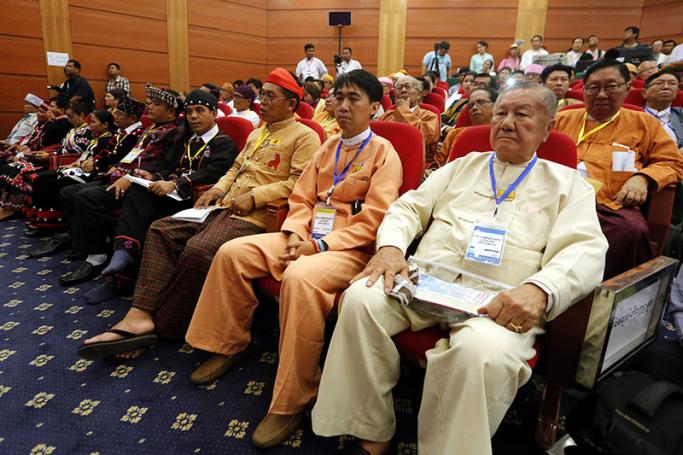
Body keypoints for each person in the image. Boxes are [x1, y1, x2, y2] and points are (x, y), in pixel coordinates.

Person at [311, 82, 609, 455]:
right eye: (501, 113)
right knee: (359, 300)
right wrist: (390, 249)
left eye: (522, 115)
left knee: (479, 352)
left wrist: (539, 289)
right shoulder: (461, 166)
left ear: (548, 128)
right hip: (424, 282)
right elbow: (408, 208)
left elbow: (585, 249)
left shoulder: (568, 184)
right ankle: (368, 423)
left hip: (498, 304)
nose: (506, 123)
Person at [184, 69, 402, 449]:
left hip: (349, 249)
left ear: (374, 107)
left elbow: (376, 220)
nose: (344, 106)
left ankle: (292, 399)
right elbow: (302, 200)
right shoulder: (327, 147)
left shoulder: (385, 153)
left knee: (300, 278)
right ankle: (227, 343)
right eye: (339, 98)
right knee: (232, 252)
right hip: (304, 238)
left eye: (355, 99)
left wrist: (318, 246)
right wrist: (296, 234)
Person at [76, 67, 319, 344]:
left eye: (270, 97)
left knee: (198, 248)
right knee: (160, 230)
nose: (261, 102)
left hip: (256, 215)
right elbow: (234, 169)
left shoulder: (304, 136)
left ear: (291, 104)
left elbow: (299, 182)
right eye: (261, 95)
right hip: (222, 207)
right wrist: (217, 189)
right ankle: (140, 312)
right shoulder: (256, 133)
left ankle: (164, 325)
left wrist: (256, 196)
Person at [554, 59, 683, 279]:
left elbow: (672, 162)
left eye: (611, 86)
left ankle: (602, 291)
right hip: (557, 196)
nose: (602, 94)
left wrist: (643, 178)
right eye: (594, 88)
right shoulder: (562, 119)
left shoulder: (644, 123)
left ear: (627, 89)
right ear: (584, 91)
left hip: (608, 202)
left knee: (631, 230)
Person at [54, 86, 182, 286]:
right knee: (69, 192)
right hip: (118, 174)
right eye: (151, 103)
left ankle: (96, 257)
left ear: (171, 111)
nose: (150, 108)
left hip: (137, 181)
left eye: (157, 105)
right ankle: (91, 242)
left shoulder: (175, 130)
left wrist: (130, 176)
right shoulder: (153, 126)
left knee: (86, 196)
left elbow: (161, 164)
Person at [28, 96, 145, 257]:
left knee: (75, 192)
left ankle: (93, 248)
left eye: (119, 114)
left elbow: (123, 158)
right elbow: (107, 153)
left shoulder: (138, 133)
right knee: (61, 188)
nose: (115, 117)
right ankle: (77, 237)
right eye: (116, 113)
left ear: (132, 118)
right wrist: (95, 162)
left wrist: (97, 165)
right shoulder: (123, 132)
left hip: (120, 176)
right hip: (104, 171)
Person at [27, 109, 116, 231]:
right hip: (81, 168)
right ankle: (39, 221)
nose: (91, 125)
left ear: (105, 125)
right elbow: (85, 156)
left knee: (50, 184)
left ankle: (53, 225)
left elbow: (100, 162)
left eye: (94, 122)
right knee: (40, 179)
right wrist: (74, 164)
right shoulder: (97, 138)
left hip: (91, 174)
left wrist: (83, 165)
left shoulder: (107, 140)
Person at [0, 96, 80, 220]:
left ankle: (13, 208)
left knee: (19, 168)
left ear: (63, 110)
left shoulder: (63, 124)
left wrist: (50, 122)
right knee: (12, 167)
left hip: (54, 158)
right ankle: (8, 206)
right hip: (46, 154)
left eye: (52, 107)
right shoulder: (55, 124)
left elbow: (48, 141)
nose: (48, 110)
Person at [379, 76, 439, 165]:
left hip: (416, 164)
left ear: (419, 95)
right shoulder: (386, 115)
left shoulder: (429, 116)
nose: (403, 90)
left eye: (408, 87)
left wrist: (404, 109)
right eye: (399, 88)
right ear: (395, 96)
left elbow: (422, 138)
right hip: (385, 162)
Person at [435, 87, 497, 169]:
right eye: (470, 105)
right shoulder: (455, 134)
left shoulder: (503, 134)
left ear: (496, 105)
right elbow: (439, 164)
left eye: (481, 102)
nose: (474, 108)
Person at [643, 70, 683, 148]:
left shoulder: (680, 114)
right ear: (644, 93)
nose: (666, 87)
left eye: (672, 83)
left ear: (677, 92)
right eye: (659, 83)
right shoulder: (631, 116)